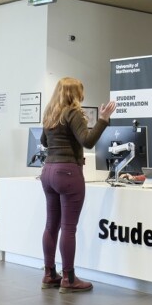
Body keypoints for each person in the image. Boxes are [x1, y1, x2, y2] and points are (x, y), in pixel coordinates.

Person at [39, 77, 117, 293]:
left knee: (51, 225)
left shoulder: (50, 113)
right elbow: (88, 141)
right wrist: (103, 120)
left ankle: (48, 274)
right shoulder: (73, 113)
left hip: (48, 172)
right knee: (69, 228)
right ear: (75, 93)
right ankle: (69, 279)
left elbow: (44, 142)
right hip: (68, 172)